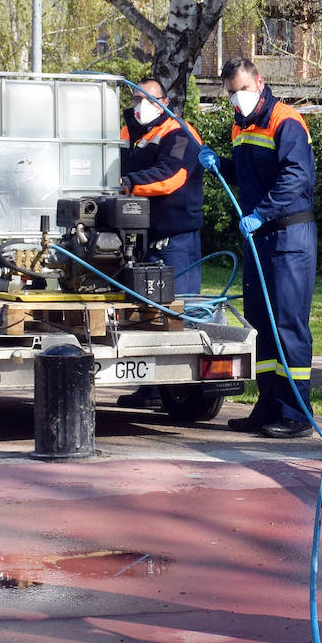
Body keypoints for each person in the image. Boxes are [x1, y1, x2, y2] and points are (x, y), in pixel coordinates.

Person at [202, 57, 317, 439]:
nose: (238, 99)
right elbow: (249, 172)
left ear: (260, 82)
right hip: (261, 237)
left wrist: (261, 213)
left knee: (287, 323)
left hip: (288, 236)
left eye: (243, 90)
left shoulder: (285, 120)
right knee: (261, 324)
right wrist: (219, 163)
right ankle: (269, 405)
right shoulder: (240, 125)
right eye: (232, 93)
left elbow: (296, 177)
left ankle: (297, 413)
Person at [116, 75, 205, 410]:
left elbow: (171, 177)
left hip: (175, 241)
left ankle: (181, 391)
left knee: (177, 312)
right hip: (139, 241)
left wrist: (127, 185)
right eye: (136, 99)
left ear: (165, 103)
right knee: (143, 315)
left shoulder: (179, 133)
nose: (141, 106)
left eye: (149, 100)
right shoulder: (129, 134)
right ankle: (149, 387)